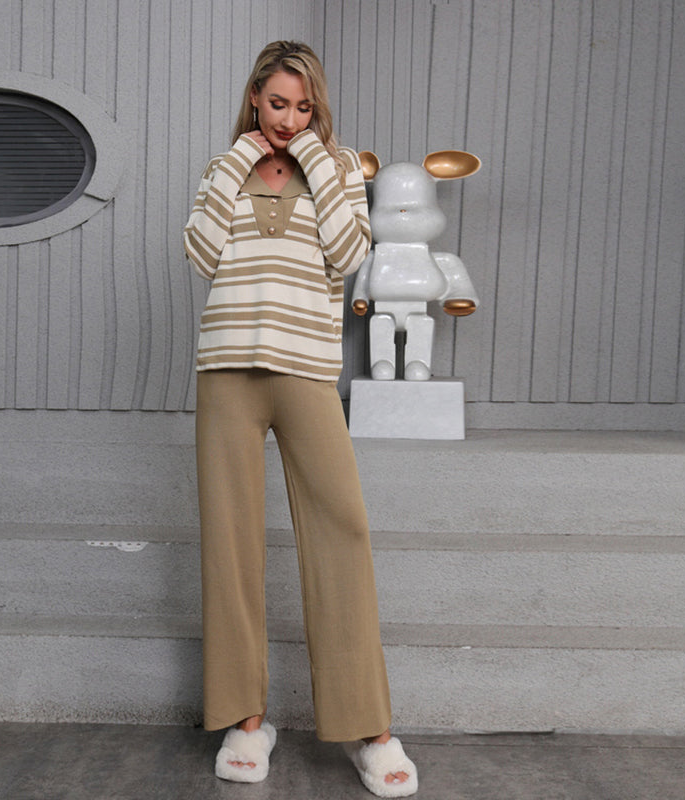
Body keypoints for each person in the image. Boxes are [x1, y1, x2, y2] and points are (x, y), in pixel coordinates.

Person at [184, 40, 418, 798]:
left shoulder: (339, 168)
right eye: (277, 103)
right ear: (256, 97)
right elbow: (201, 254)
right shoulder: (223, 168)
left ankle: (369, 729)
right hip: (227, 372)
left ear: (316, 108)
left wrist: (317, 157)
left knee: (341, 530)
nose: (288, 119)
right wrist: (235, 162)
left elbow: (348, 255)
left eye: (303, 107)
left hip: (306, 371)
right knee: (230, 546)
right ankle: (246, 721)